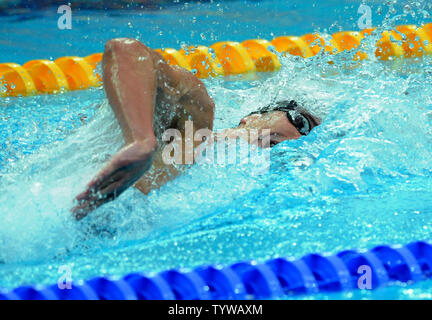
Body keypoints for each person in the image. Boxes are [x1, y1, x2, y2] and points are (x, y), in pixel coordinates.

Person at [71, 38, 320, 220]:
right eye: (299, 119)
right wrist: (141, 141)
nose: (301, 134)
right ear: (251, 117)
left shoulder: (250, 188)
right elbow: (124, 49)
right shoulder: (194, 119)